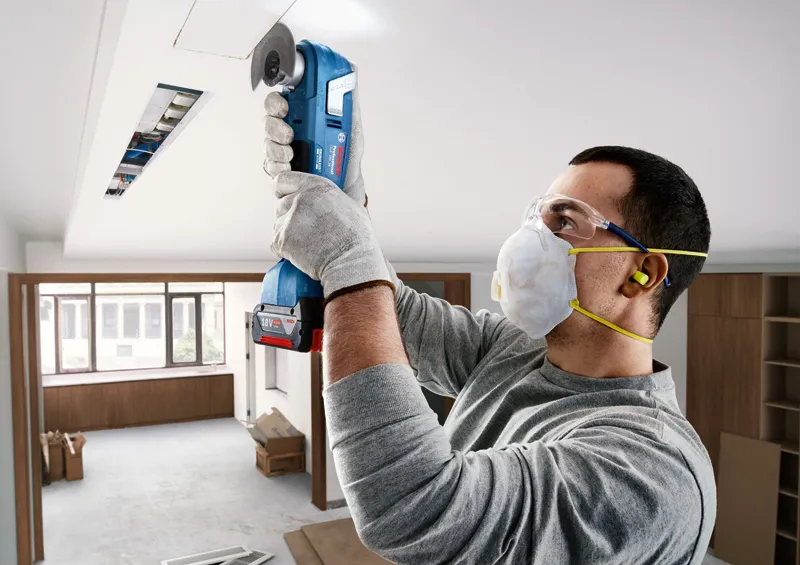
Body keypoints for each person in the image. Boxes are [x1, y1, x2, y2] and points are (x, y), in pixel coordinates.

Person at [262, 83, 715, 564]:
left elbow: (411, 509)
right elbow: (397, 317)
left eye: (564, 222)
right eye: (537, 219)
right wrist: (348, 210)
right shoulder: (512, 349)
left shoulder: (652, 471)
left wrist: (348, 263)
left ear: (642, 273)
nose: (531, 240)